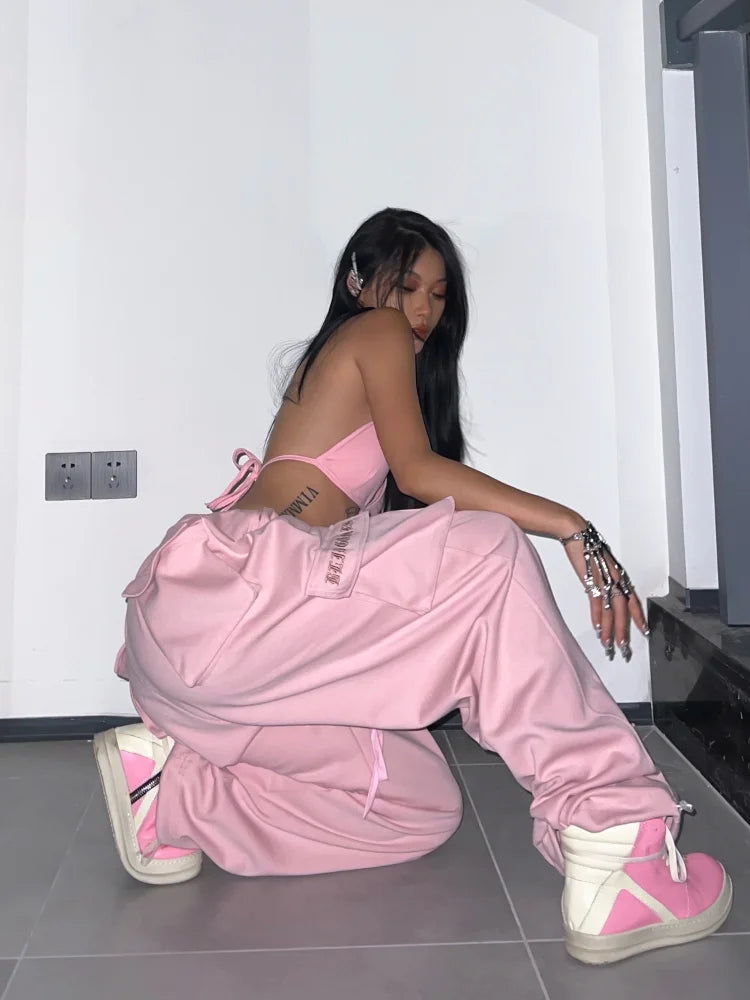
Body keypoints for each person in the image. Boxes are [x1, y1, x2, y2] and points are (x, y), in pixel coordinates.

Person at [94, 207, 731, 965]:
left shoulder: (356, 373)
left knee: (417, 804)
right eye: (407, 287)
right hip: (233, 610)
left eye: (438, 295)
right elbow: (420, 470)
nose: (422, 310)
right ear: (358, 282)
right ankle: (620, 840)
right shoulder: (374, 330)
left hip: (224, 660)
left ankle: (172, 789)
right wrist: (571, 525)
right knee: (489, 552)